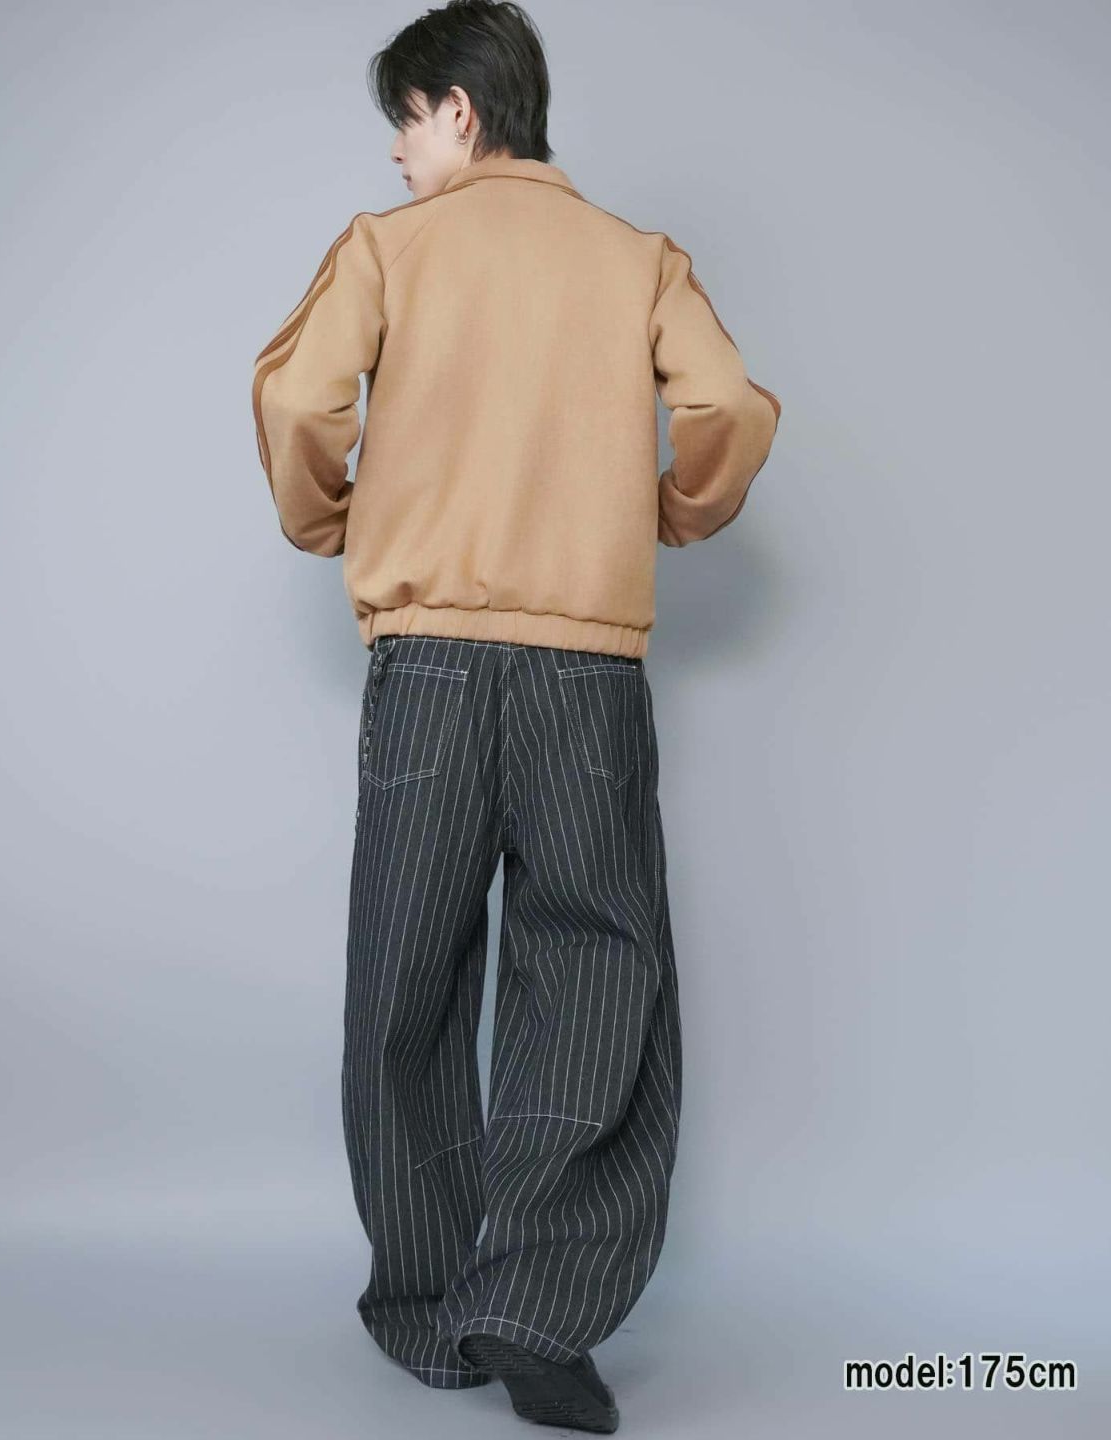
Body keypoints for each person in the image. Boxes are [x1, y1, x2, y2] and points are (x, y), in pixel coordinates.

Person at [251, 2, 780, 1430]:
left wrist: (336, 522)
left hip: (426, 661)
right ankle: (541, 1308)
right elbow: (727, 408)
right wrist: (671, 511)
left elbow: (300, 404)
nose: (398, 152)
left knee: (407, 980)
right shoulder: (636, 259)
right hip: (583, 673)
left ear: (460, 109)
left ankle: (433, 1313)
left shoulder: (390, 249)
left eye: (405, 121)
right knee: (596, 970)